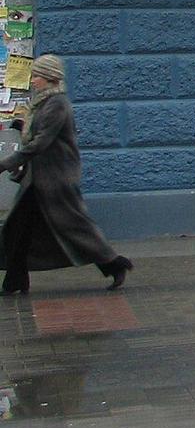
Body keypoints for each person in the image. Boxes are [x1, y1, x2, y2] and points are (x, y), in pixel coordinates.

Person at [0, 55, 132, 296]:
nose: (33, 80)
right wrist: (22, 126)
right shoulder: (43, 103)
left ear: (50, 78)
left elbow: (40, 143)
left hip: (56, 179)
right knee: (18, 228)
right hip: (38, 179)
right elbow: (38, 134)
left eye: (37, 76)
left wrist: (5, 164)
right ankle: (15, 279)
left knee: (75, 227)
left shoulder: (58, 104)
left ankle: (114, 264)